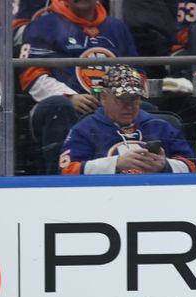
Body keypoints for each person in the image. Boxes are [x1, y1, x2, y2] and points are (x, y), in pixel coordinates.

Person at [18, 0, 141, 174]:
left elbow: (137, 72)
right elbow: (30, 74)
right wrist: (69, 96)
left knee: (145, 108)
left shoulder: (116, 27)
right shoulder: (44, 24)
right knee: (59, 107)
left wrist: (115, 101)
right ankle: (58, 178)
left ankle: (140, 177)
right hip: (61, 105)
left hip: (113, 103)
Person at [59, 64, 196, 174]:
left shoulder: (161, 126)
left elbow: (192, 166)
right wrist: (116, 164)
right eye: (122, 99)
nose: (129, 106)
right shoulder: (85, 129)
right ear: (104, 97)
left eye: (134, 99)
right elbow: (67, 171)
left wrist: (165, 165)